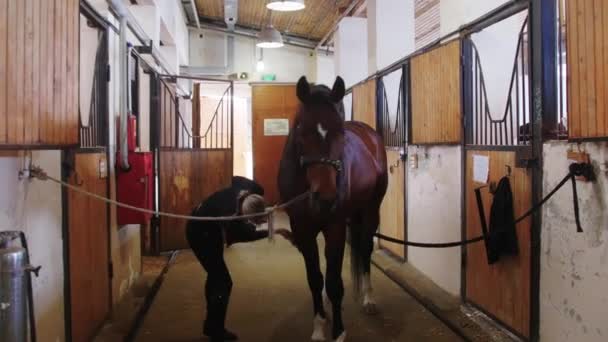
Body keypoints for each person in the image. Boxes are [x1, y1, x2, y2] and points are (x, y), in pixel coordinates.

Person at [185, 180, 290, 341]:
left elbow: (235, 178)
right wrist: (274, 231)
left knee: (215, 276)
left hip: (210, 228)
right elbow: (242, 236)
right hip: (199, 233)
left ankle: (211, 324)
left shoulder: (251, 190)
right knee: (223, 281)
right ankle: (216, 329)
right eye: (254, 221)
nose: (255, 224)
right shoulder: (231, 219)